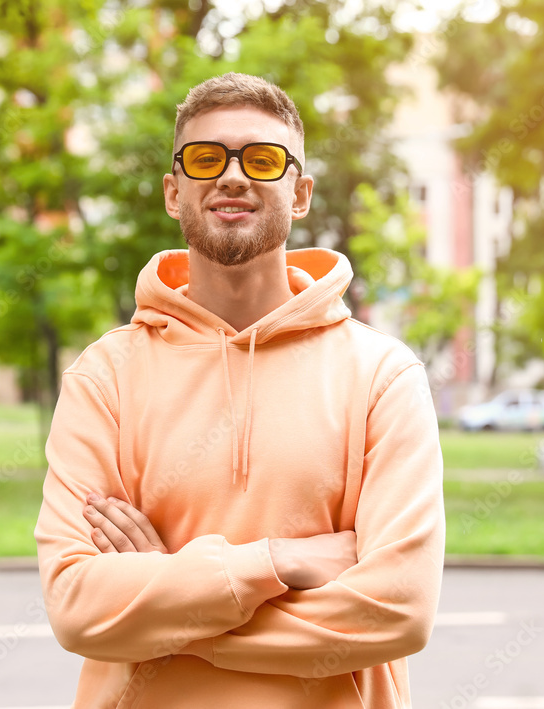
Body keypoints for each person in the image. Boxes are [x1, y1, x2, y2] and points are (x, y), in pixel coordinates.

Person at [35, 72, 445, 709]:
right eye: (206, 158)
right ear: (174, 192)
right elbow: (77, 608)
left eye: (262, 158)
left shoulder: (382, 377)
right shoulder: (104, 377)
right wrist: (280, 562)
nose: (232, 176)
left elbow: (398, 610)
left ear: (301, 193)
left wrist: (167, 609)